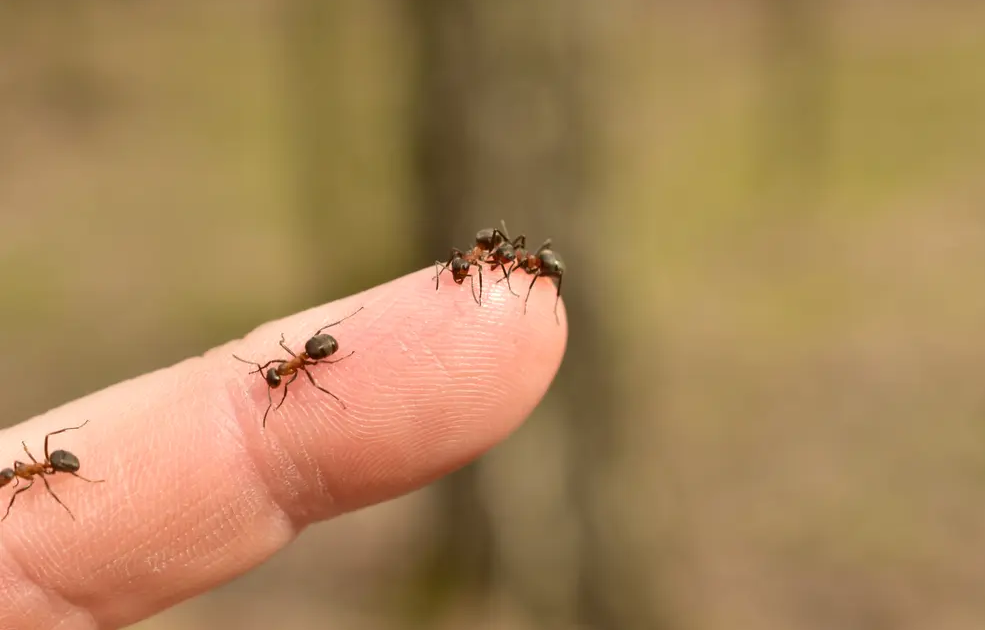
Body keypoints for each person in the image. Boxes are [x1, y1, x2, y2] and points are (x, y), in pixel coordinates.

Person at [0, 267, 566, 629]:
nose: (276, 376)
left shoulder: (295, 368)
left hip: (319, 352)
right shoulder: (34, 472)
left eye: (273, 375)